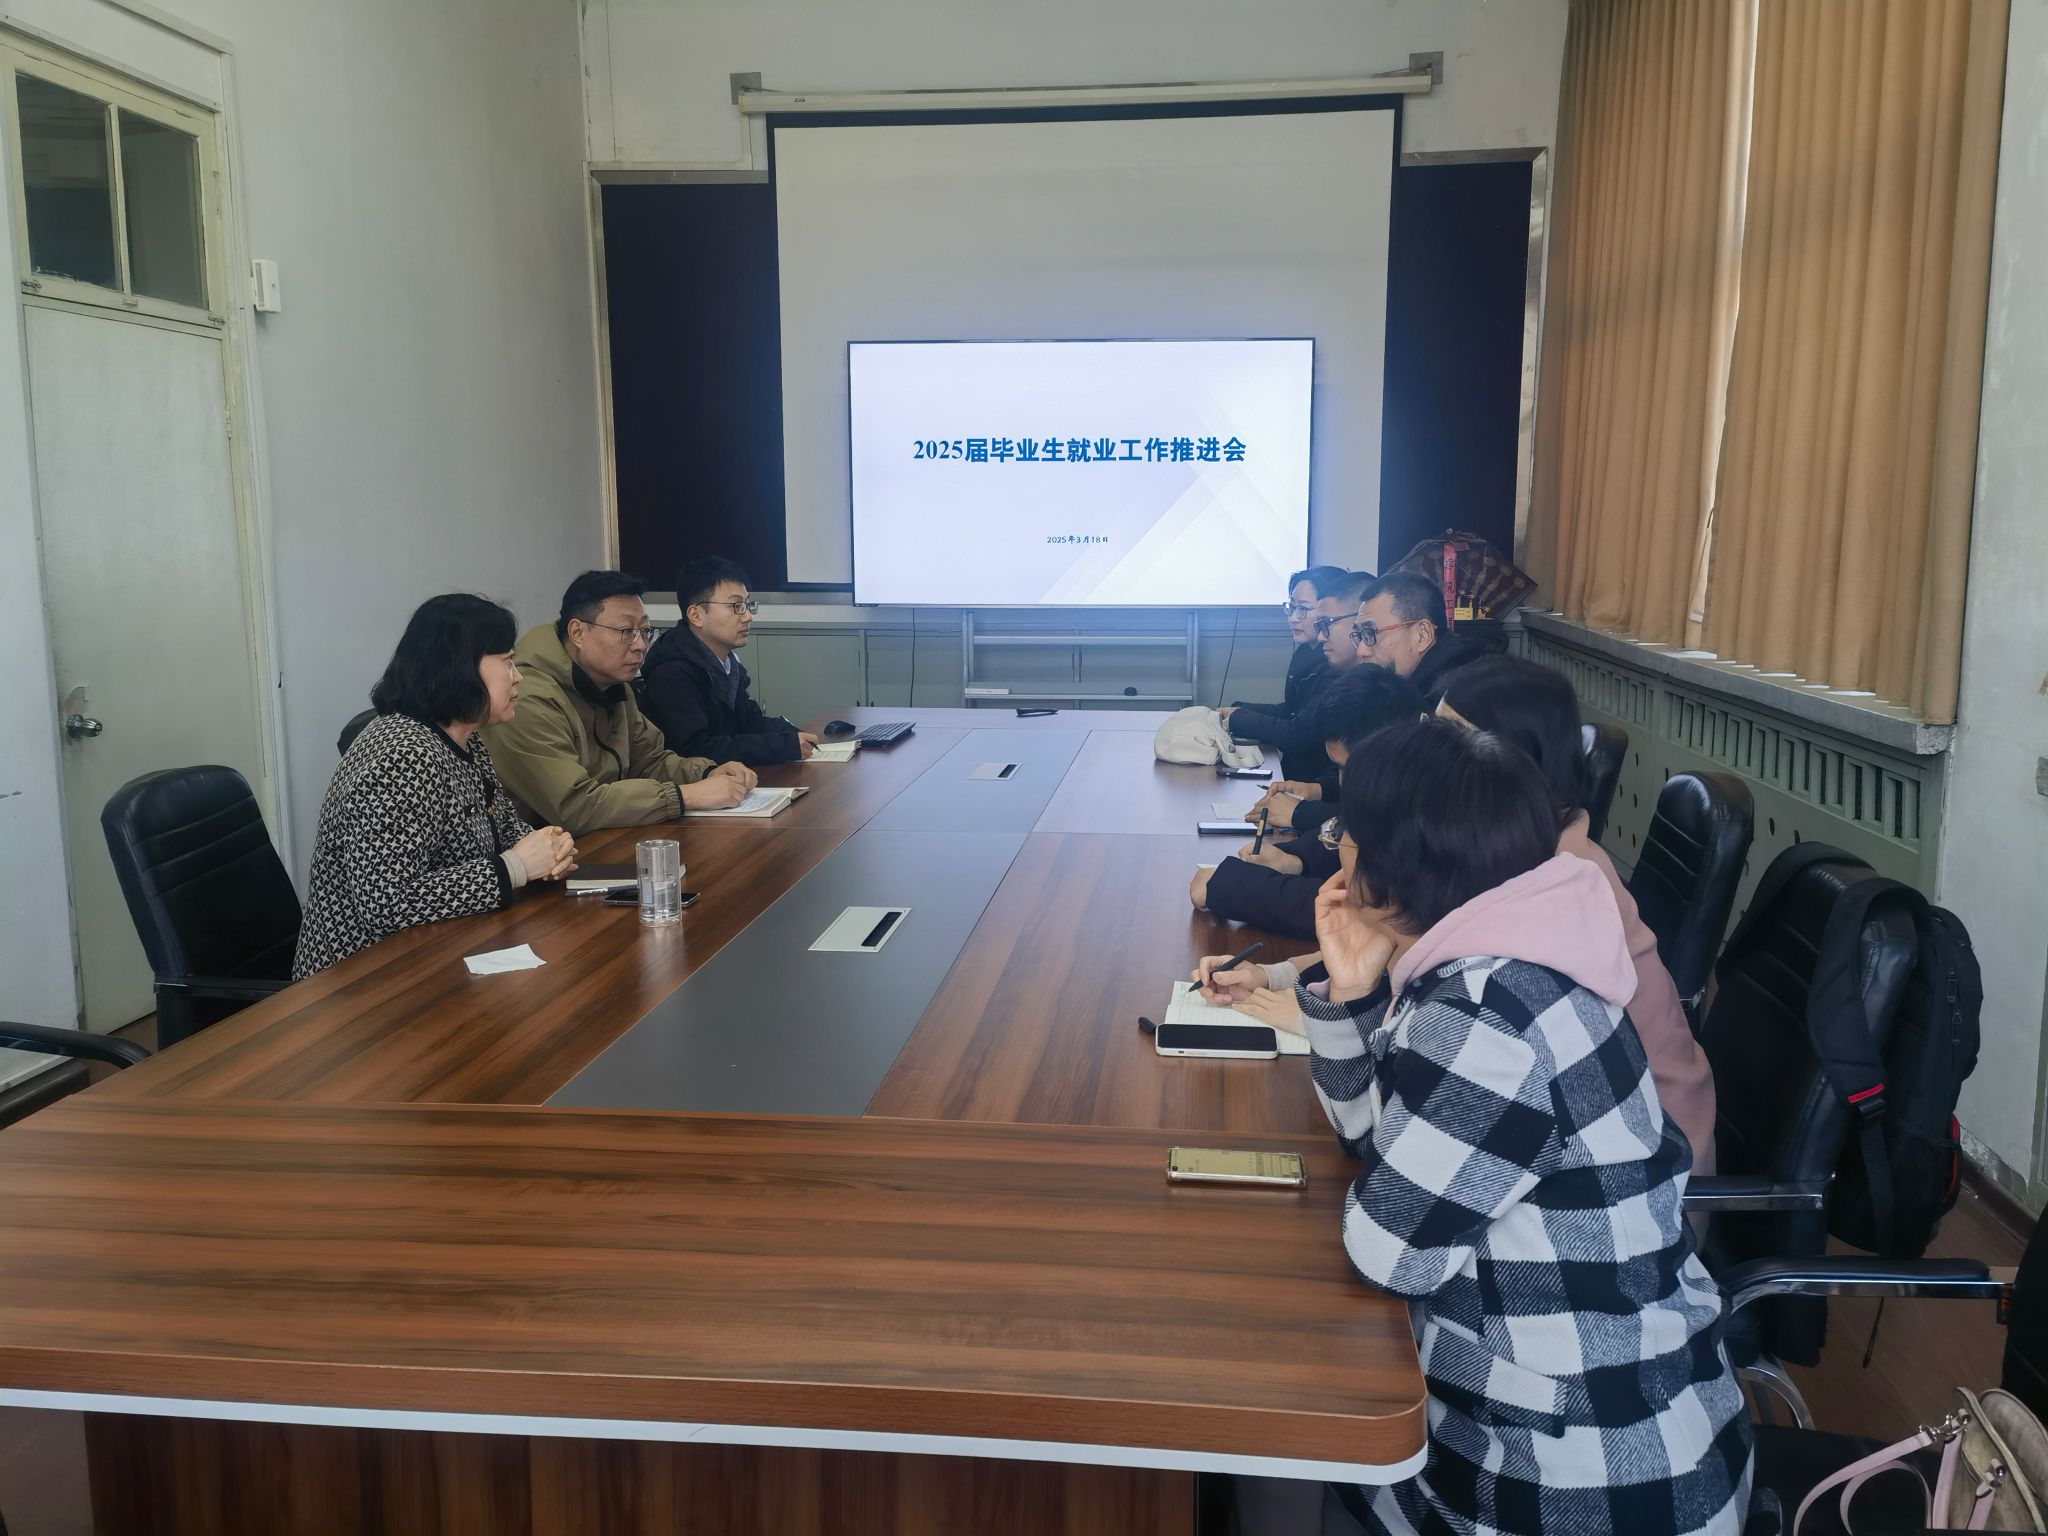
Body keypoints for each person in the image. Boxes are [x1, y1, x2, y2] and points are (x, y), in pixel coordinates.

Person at [1201, 721, 1749, 1535]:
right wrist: (1351, 993)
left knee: (1264, 1406)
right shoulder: (1515, 952)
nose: (1337, 848)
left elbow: (1388, 1251)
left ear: (1387, 870)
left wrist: (1379, 1176)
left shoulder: (1491, 1016)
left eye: (1345, 832)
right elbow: (1375, 1141)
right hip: (1620, 1419)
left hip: (1577, 1482)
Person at [1436, 655, 1717, 1177]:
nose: (1426, 755)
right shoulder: (1517, 842)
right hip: (1570, 1119)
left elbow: (1451, 1007)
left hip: (1646, 1162)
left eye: (1450, 739)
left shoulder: (1561, 876)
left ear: (1510, 759)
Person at [293, 595, 580, 980]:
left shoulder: (463, 737)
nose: (518, 677)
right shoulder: (402, 757)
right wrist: (514, 867)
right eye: (507, 661)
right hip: (360, 981)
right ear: (460, 668)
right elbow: (387, 904)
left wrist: (548, 848)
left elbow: (501, 826)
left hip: (442, 952)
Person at [483, 570, 756, 836]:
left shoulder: (612, 683)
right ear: (578, 632)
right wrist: (685, 796)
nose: (640, 645)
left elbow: (649, 762)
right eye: (626, 631)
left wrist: (706, 773)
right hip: (542, 854)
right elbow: (575, 806)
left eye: (644, 631)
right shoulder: (527, 698)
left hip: (600, 839)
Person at [1191, 667, 1424, 936]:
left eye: (1349, 769)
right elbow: (1345, 832)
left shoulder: (1432, 821)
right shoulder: (1397, 792)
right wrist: (1296, 858)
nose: (1343, 783)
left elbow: (1358, 911)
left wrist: (1230, 886)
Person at [638, 556, 816, 766]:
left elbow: (748, 722)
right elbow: (697, 751)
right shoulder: (671, 673)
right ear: (696, 615)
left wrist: (792, 734)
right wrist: (784, 746)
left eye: (747, 605)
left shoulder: (727, 664)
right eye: (736, 606)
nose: (748, 616)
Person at [1217, 564, 1351, 780]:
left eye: (1303, 609)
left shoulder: (1337, 666)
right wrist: (1240, 710)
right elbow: (1293, 711)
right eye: (1292, 607)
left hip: (1314, 782)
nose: (1294, 618)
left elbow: (1299, 734)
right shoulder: (1306, 652)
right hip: (1293, 773)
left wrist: (1239, 718)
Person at [1351, 568, 1491, 706]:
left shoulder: (1460, 701)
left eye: (1371, 633)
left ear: (1422, 635)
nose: (1361, 651)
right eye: (1359, 635)